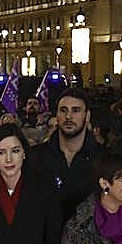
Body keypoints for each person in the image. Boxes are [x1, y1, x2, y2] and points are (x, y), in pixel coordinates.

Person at [32, 88, 103, 222]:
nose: (68, 117)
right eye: (63, 110)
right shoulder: (36, 156)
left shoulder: (103, 158)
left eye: (75, 110)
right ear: (57, 116)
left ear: (87, 116)